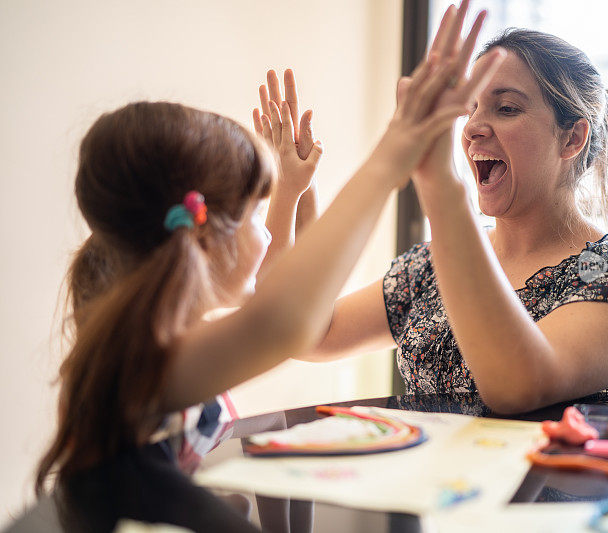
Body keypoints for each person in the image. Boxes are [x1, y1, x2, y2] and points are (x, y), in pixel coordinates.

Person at [35, 5, 503, 493]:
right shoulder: (138, 367)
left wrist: (294, 190)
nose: (266, 234)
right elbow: (282, 317)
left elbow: (272, 291)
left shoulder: (151, 345)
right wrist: (394, 152)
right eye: (254, 216)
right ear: (199, 239)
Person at [289, 7, 608, 414]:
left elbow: (518, 385)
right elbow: (306, 333)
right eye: (470, 108)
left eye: (506, 108)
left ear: (572, 137)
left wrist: (440, 183)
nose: (472, 127)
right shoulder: (430, 267)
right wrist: (293, 193)